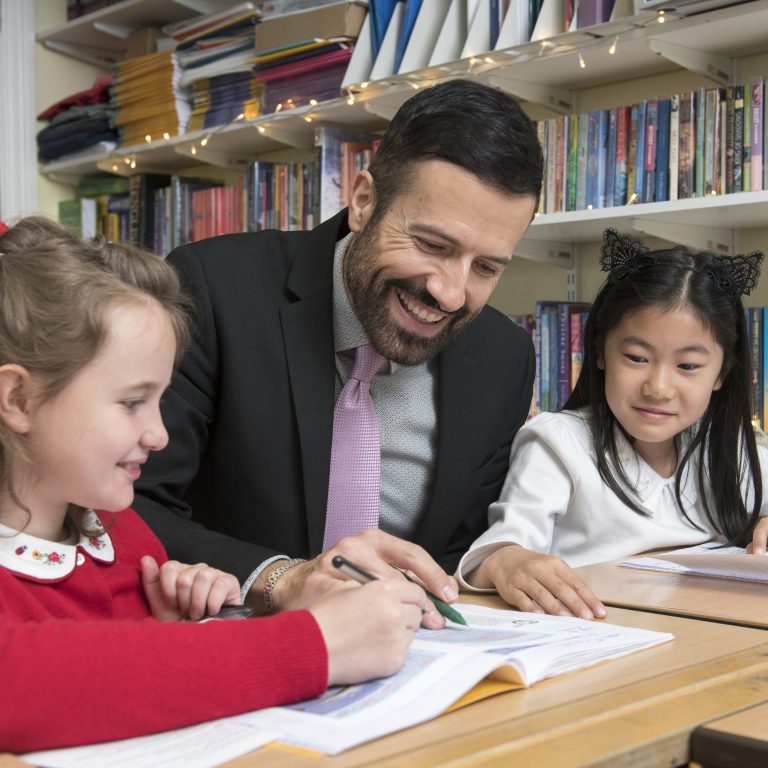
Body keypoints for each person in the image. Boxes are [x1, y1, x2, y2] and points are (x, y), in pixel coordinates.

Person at [0, 217, 429, 754]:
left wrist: (178, 628)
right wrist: (317, 645)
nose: (158, 435)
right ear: (17, 399)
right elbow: (24, 680)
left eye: (159, 401)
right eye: (132, 402)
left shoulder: (125, 536)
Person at [132, 78, 544, 618]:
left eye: (486, 267)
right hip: (234, 644)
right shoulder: (211, 289)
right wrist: (282, 579)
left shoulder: (504, 358)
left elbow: (458, 550)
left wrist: (500, 560)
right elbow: (127, 505)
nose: (450, 293)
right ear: (364, 201)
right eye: (431, 245)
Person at [457, 228, 768, 620]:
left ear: (722, 374)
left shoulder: (731, 447)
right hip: (602, 633)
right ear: (601, 351)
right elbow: (500, 552)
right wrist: (508, 560)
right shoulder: (559, 442)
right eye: (637, 357)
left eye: (688, 366)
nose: (657, 387)